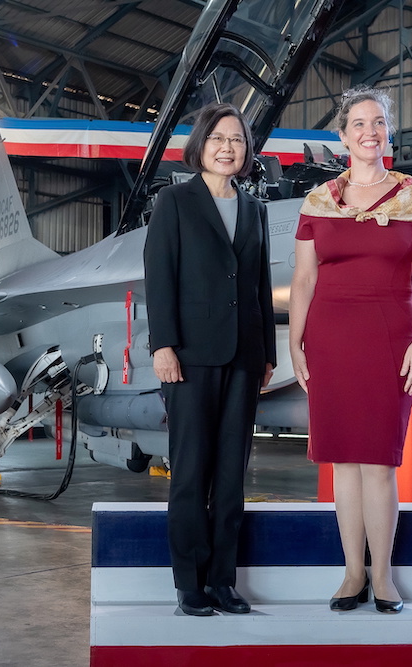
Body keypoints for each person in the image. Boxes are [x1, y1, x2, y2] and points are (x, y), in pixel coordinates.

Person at [289, 85, 412, 614]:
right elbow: (304, 278)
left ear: (389, 132)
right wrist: (295, 340)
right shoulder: (318, 200)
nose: (369, 131)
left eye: (378, 122)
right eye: (358, 123)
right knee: (343, 463)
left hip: (389, 336)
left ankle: (383, 577)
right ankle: (352, 572)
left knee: (378, 460)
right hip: (330, 336)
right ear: (342, 136)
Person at [143, 102, 277, 617]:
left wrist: (265, 350)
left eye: (238, 141)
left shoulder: (255, 209)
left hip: (244, 356)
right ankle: (189, 583)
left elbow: (260, 287)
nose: (228, 148)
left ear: (246, 152)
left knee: (230, 474)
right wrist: (163, 345)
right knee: (192, 471)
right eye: (219, 138)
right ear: (201, 145)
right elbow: (160, 278)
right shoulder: (174, 202)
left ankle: (223, 580)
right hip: (190, 357)